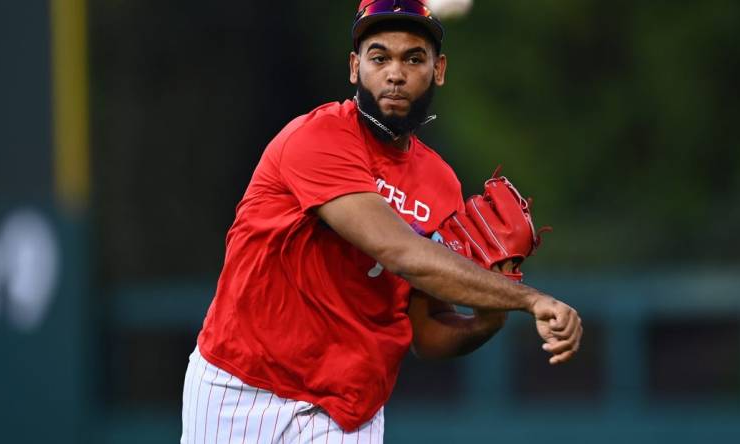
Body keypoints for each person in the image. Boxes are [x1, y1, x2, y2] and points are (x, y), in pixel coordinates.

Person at [181, 1, 583, 443]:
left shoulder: (439, 184)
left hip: (349, 410)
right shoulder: (316, 139)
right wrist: (528, 300)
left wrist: (488, 319)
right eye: (379, 57)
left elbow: (427, 333)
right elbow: (400, 251)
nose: (395, 73)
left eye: (413, 58)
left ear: (439, 69)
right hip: (245, 388)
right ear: (355, 67)